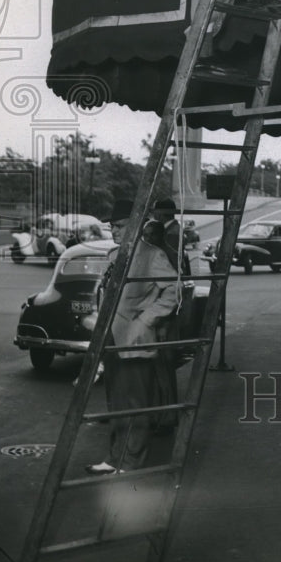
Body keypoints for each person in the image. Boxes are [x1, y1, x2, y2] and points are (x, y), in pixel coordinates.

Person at [86, 200, 179, 474]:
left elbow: (173, 291)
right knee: (116, 401)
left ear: (136, 225)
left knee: (136, 402)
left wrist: (146, 319)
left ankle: (131, 463)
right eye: (111, 226)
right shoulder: (115, 255)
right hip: (113, 336)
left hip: (136, 337)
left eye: (118, 225)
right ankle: (115, 457)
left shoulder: (153, 255)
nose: (112, 230)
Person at [151, 197, 192, 276]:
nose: (153, 214)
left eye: (154, 211)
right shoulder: (173, 229)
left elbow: (171, 260)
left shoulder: (172, 233)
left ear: (160, 213)